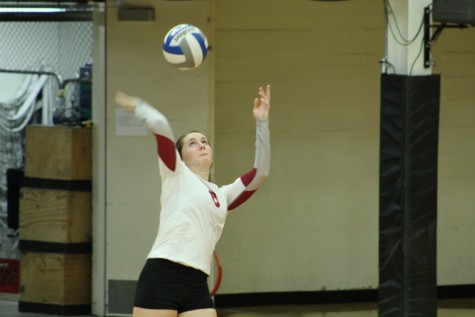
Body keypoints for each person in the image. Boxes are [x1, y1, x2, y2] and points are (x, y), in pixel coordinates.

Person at [114, 85, 271, 317]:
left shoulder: (222, 195)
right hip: (163, 274)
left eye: (205, 141)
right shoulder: (175, 173)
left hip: (198, 281)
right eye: (193, 143)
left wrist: (262, 122)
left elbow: (261, 173)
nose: (202, 145)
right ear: (182, 158)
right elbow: (159, 123)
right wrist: (137, 106)